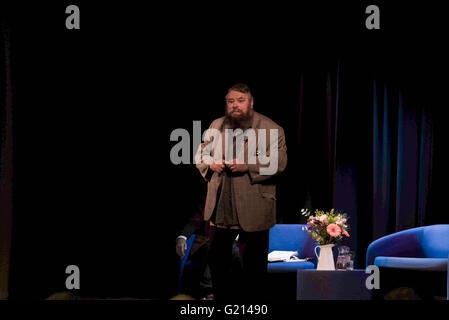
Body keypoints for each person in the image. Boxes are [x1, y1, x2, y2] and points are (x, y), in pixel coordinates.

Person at [194, 83, 287, 300]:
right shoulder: (216, 125)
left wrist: (248, 165)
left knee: (253, 269)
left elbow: (279, 162)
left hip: (253, 206)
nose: (235, 105)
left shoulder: (271, 128)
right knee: (217, 263)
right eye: (231, 101)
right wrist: (210, 163)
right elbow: (200, 153)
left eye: (241, 100)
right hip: (220, 205)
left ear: (251, 103)